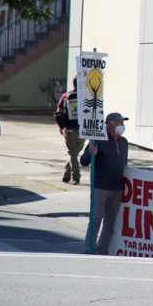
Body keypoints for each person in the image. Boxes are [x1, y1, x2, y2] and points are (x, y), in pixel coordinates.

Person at [79, 112, 130, 255]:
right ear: (110, 125)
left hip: (117, 188)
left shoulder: (124, 142)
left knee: (110, 223)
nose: (122, 125)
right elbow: (83, 161)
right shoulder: (98, 140)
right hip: (100, 187)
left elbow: (124, 164)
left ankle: (102, 251)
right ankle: (90, 250)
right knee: (96, 220)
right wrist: (91, 154)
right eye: (119, 122)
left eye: (123, 122)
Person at [55, 79, 83, 185]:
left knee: (73, 154)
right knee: (74, 153)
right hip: (82, 130)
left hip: (69, 129)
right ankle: (72, 177)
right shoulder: (85, 97)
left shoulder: (66, 96)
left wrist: (61, 126)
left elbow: (59, 112)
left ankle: (71, 176)